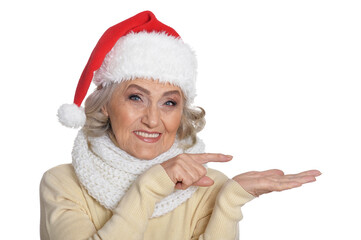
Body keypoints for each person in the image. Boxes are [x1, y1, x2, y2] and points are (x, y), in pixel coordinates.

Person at [40, 11, 321, 240]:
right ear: (104, 104)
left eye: (169, 103)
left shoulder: (209, 187)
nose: (152, 119)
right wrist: (151, 184)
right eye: (136, 97)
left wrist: (229, 202)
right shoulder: (64, 184)